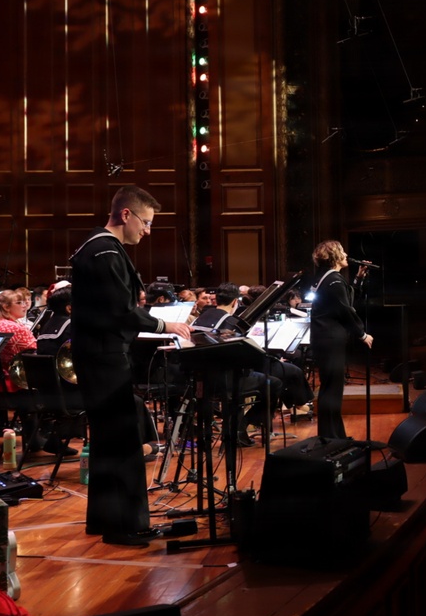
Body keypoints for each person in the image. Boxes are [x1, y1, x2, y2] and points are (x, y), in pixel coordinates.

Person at [70, 185, 191, 547]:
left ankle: (106, 521)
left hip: (97, 353)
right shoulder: (106, 251)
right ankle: (127, 526)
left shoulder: (95, 246)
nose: (148, 230)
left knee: (109, 442)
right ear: (126, 215)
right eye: (147, 222)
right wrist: (164, 325)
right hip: (105, 356)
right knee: (123, 442)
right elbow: (119, 312)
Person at [193, 282, 283, 446]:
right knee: (274, 383)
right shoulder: (232, 322)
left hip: (202, 379)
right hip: (226, 379)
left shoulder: (202, 317)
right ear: (235, 302)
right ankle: (243, 425)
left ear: (215, 299)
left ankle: (237, 426)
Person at [309, 240, 373, 440]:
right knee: (332, 389)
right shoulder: (334, 280)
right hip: (329, 339)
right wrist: (362, 334)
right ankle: (331, 438)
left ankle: (333, 435)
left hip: (325, 339)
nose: (346, 254)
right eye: (342, 251)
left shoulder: (330, 278)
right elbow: (345, 310)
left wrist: (358, 279)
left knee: (331, 388)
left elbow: (346, 301)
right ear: (335, 256)